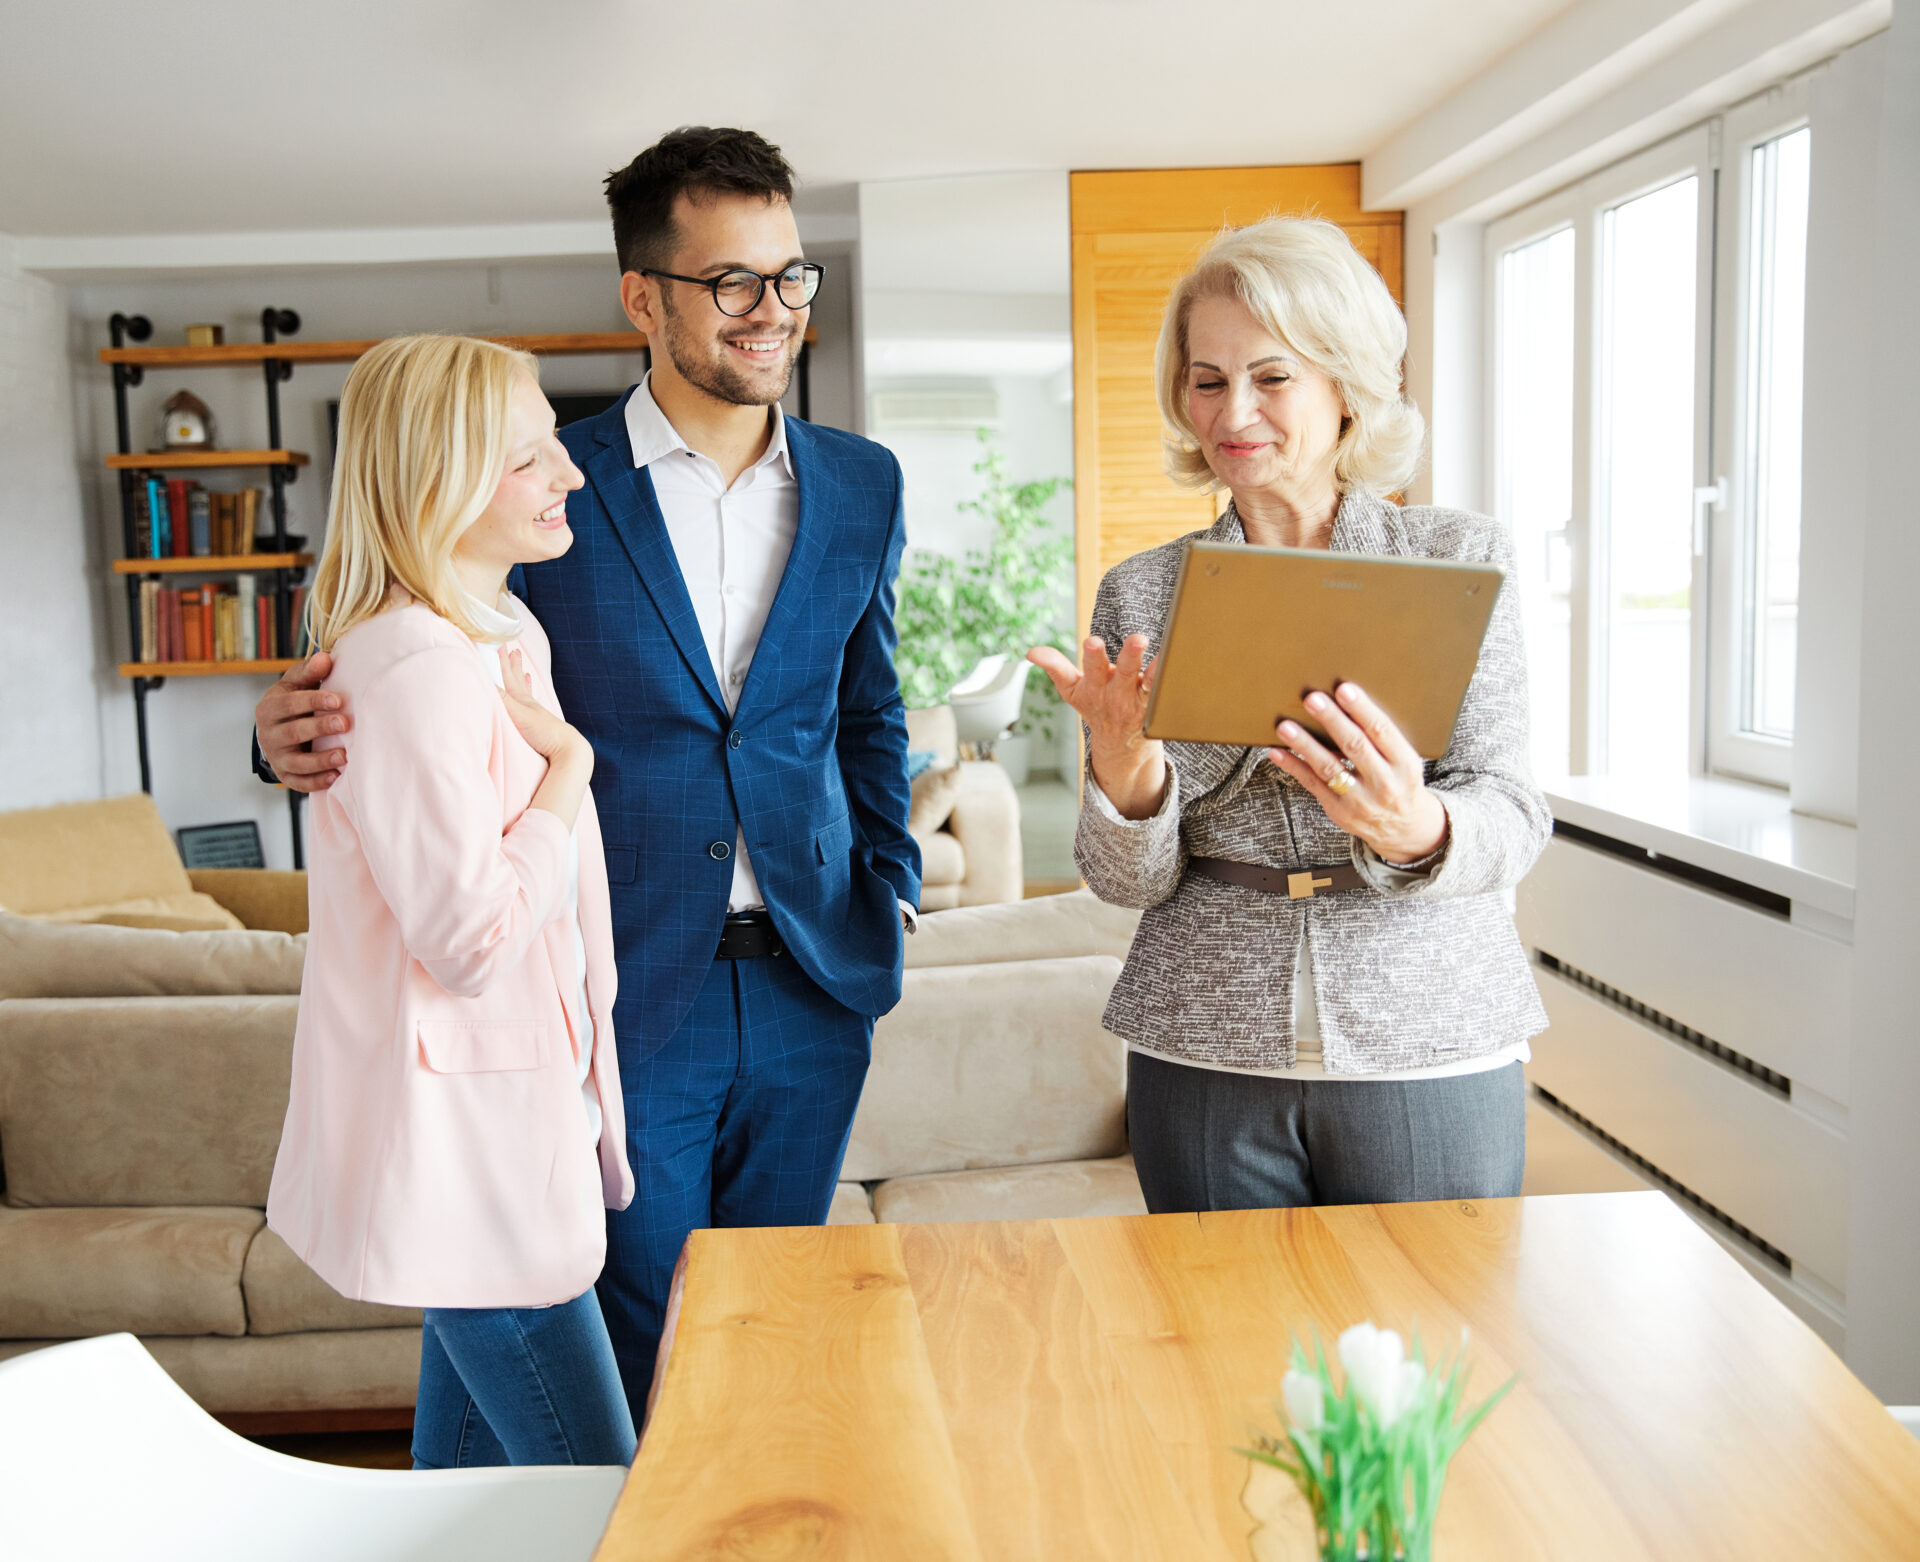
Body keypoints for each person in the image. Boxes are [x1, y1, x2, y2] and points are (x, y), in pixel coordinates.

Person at [255, 128, 919, 1427]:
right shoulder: (544, 490)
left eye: (791, 277)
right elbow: (408, 657)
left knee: (777, 1326)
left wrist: (889, 887)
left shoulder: (864, 485)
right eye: (732, 280)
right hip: (623, 998)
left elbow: (870, 707)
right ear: (644, 296)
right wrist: (284, 738)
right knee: (643, 1351)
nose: (771, 311)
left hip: (813, 983)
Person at [1030, 216, 1549, 1214]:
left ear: (1346, 383)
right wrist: (1124, 772)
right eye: (1208, 378)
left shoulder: (1455, 558)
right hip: (1202, 1043)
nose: (1235, 412)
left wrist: (1420, 826)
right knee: (1221, 1354)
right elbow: (1122, 879)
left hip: (1428, 1030)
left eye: (1273, 377)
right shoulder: (1140, 593)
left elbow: (1512, 811)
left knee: (1431, 1351)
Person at [266, 334, 636, 1468]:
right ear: (442, 478)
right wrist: (567, 781)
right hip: (470, 1152)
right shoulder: (417, 664)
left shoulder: (503, 632)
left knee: (465, 1497)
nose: (571, 474)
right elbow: (470, 938)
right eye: (532, 459)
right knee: (605, 1495)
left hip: (512, 1121)